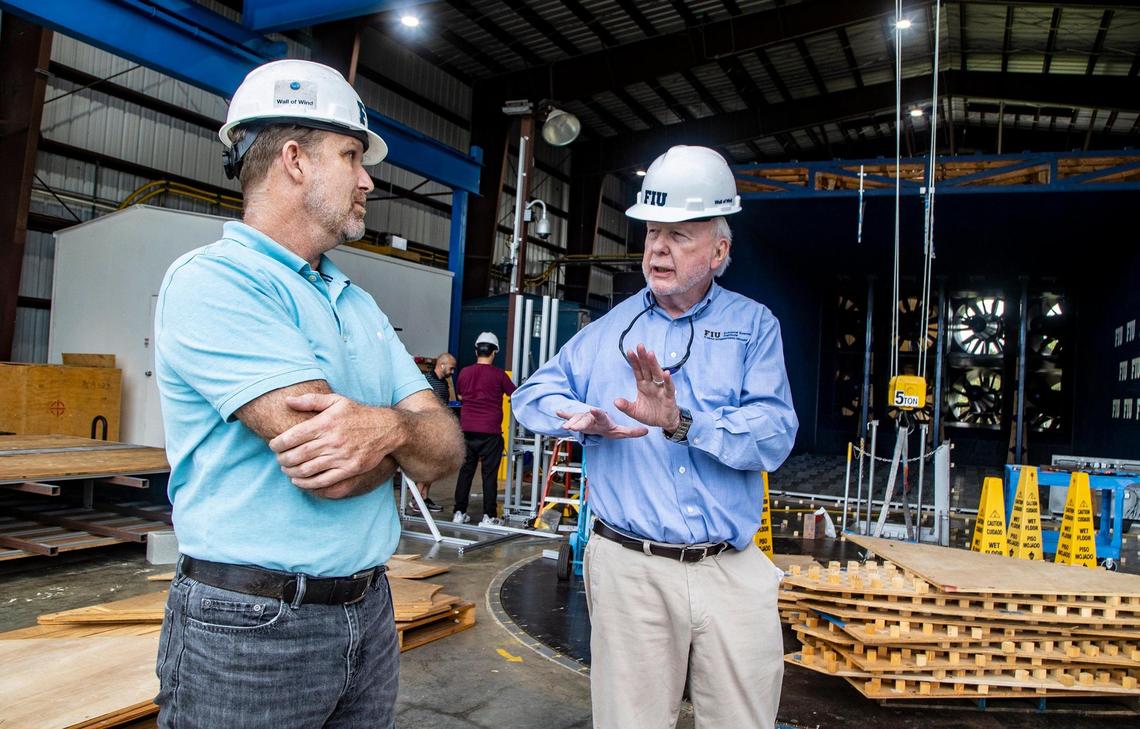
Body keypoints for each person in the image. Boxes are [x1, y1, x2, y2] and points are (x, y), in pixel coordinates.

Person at [152, 59, 463, 729]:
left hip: (368, 613)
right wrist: (405, 433)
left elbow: (445, 451)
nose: (367, 178)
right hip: (251, 630)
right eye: (351, 154)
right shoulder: (217, 282)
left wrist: (393, 434)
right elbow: (331, 468)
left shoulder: (356, 303)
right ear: (294, 159)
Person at [512, 145, 798, 729]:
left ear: (720, 250)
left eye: (679, 235)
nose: (658, 249)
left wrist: (682, 421)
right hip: (630, 568)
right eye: (651, 234)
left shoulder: (752, 327)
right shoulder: (607, 331)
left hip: (729, 568)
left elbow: (773, 435)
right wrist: (579, 413)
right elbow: (530, 396)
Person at [452, 331, 516, 526]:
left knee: (465, 472)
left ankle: (458, 512)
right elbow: (515, 394)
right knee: (489, 475)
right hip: (490, 432)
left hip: (467, 429)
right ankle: (488, 516)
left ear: (476, 350)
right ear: (494, 352)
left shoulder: (464, 372)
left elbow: (461, 395)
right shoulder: (499, 375)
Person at [414, 352, 457, 513]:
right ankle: (417, 499)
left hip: (440, 428)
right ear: (442, 365)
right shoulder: (427, 381)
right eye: (451, 369)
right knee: (427, 465)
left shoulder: (444, 383)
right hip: (429, 428)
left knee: (434, 466)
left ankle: (424, 498)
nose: (452, 372)